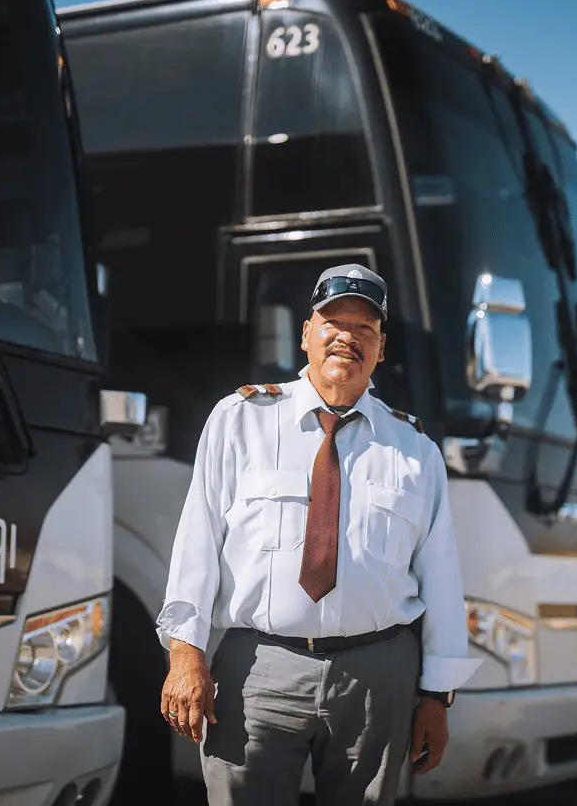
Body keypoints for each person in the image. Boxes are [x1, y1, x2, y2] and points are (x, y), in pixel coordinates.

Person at [155, 264, 481, 806]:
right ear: (306, 332)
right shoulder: (240, 420)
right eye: (333, 322)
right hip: (258, 671)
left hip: (377, 677)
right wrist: (185, 654)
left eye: (365, 329)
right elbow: (197, 539)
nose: (347, 337)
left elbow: (441, 577)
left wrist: (436, 696)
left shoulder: (415, 450)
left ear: (381, 349)